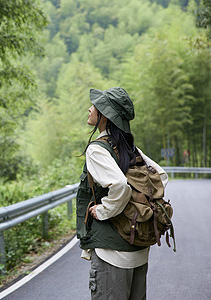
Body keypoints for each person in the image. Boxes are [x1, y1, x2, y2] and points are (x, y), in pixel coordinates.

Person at [76, 87, 168, 299]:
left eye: (95, 106)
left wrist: (104, 210)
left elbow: (119, 186)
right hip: (138, 249)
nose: (89, 109)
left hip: (112, 254)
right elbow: (161, 177)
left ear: (105, 115)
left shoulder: (98, 149)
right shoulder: (129, 146)